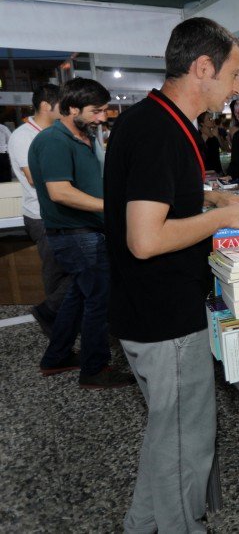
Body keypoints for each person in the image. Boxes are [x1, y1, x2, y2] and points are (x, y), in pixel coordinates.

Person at [105, 17, 239, 534]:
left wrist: (211, 197)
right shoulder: (160, 132)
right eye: (235, 74)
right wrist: (221, 217)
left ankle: (140, 524)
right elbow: (146, 238)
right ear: (203, 68)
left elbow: (158, 200)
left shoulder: (155, 120)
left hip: (146, 310)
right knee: (184, 447)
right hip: (165, 318)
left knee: (167, 436)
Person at [27, 78, 133, 388]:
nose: (102, 117)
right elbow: (60, 192)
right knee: (98, 300)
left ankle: (56, 357)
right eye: (96, 111)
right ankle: (94, 369)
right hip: (76, 234)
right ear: (72, 108)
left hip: (88, 231)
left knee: (78, 296)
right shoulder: (53, 141)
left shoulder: (83, 137)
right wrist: (109, 206)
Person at [8, 83, 70, 336]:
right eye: (62, 104)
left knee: (71, 269)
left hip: (62, 212)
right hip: (42, 215)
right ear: (46, 105)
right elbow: (34, 177)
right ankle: (52, 318)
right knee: (58, 271)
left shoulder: (56, 131)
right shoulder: (23, 136)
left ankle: (57, 317)